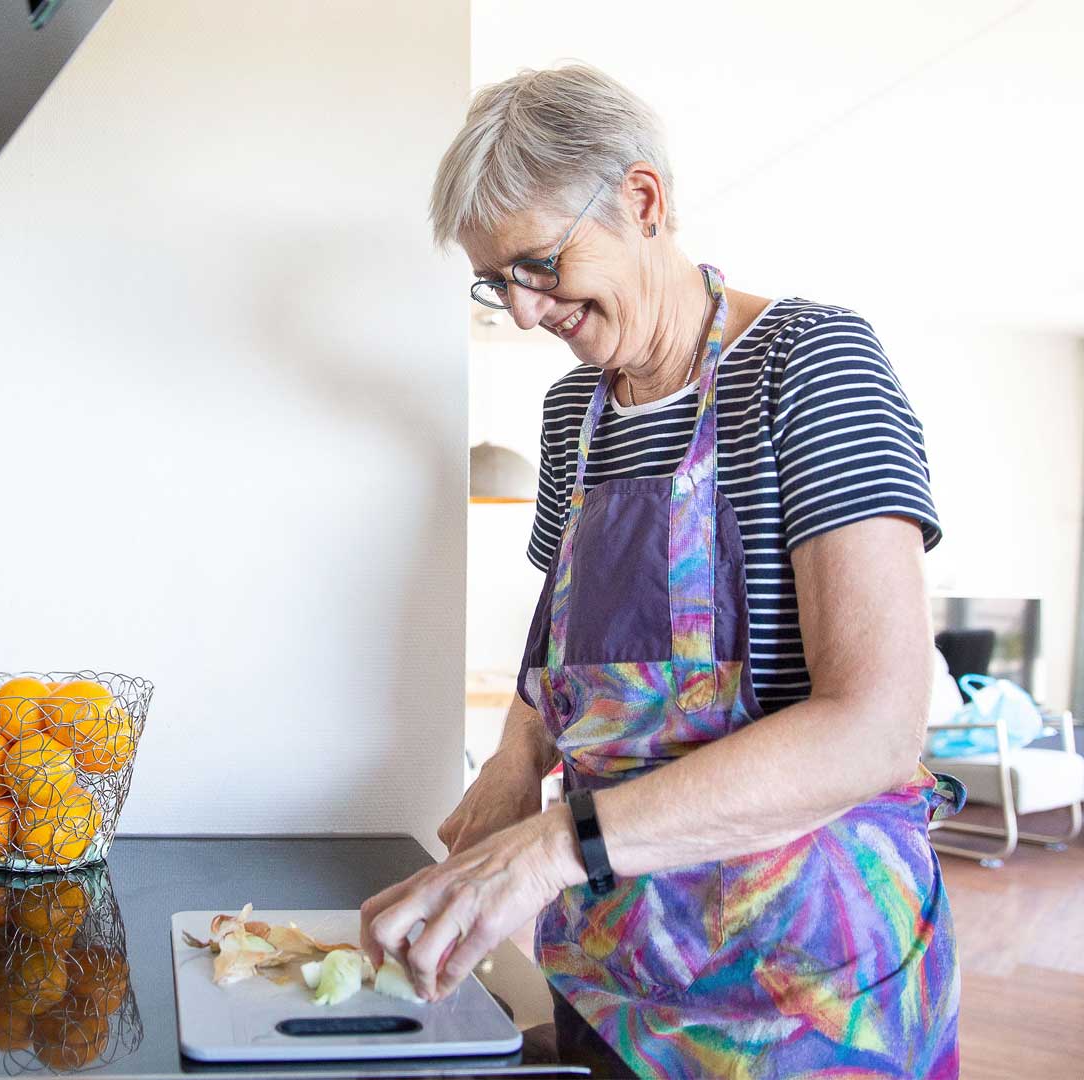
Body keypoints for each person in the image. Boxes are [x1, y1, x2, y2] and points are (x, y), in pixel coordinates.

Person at [359, 64, 961, 1078]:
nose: (519, 311)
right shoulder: (570, 420)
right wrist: (515, 765)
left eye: (537, 264)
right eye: (494, 280)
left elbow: (875, 727)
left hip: (804, 987)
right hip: (613, 958)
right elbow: (561, 643)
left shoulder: (811, 365)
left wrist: (555, 844)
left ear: (644, 200)